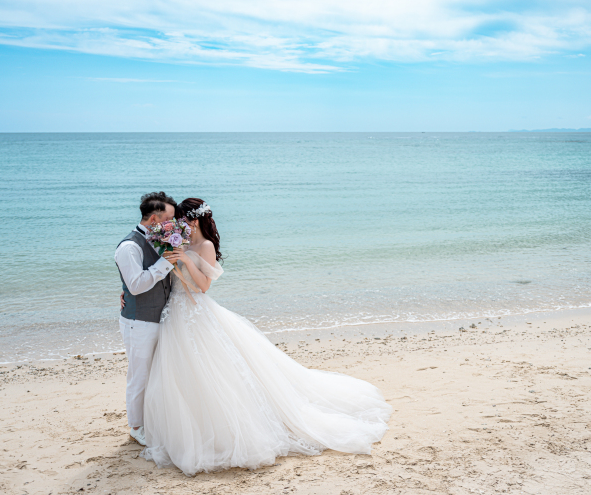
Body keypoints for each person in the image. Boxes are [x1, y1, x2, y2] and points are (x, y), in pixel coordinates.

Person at [141, 198, 392, 476]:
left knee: (214, 370)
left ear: (196, 220)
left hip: (196, 311)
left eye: (183, 219)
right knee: (179, 372)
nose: (179, 224)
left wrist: (186, 259)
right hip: (175, 313)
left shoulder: (206, 246)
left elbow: (203, 287)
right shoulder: (180, 241)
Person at [114, 191, 177, 446]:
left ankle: (151, 419)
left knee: (157, 373)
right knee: (139, 376)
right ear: (154, 219)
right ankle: (136, 427)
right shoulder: (129, 247)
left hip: (161, 318)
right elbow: (136, 285)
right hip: (138, 321)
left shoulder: (159, 240)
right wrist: (164, 263)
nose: (172, 224)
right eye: (169, 219)